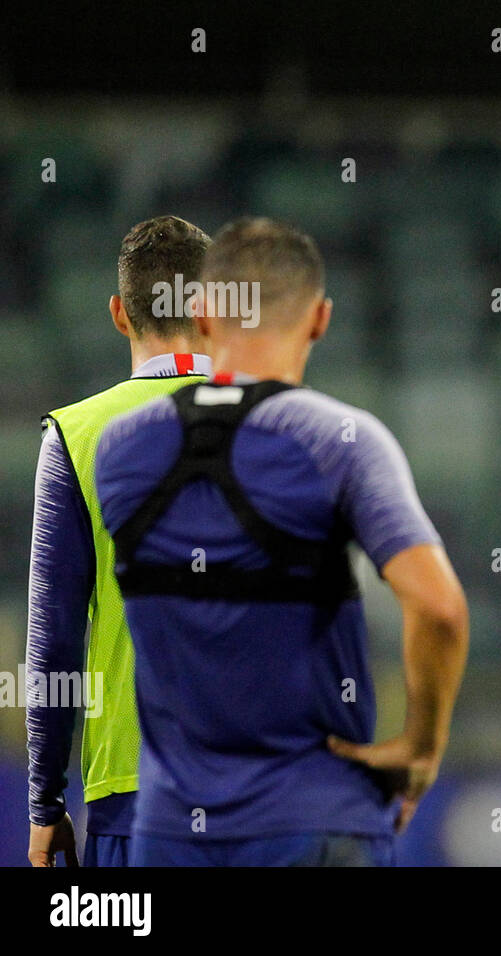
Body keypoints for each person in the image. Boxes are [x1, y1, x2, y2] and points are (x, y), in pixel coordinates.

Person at [94, 217, 469, 866]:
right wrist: (422, 745)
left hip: (169, 833)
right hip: (316, 824)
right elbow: (438, 607)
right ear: (320, 320)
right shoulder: (341, 441)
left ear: (204, 317)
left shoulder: (120, 449)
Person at [27, 215, 214, 867]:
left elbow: (53, 642)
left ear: (118, 313)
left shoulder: (75, 438)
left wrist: (45, 803)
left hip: (136, 803)